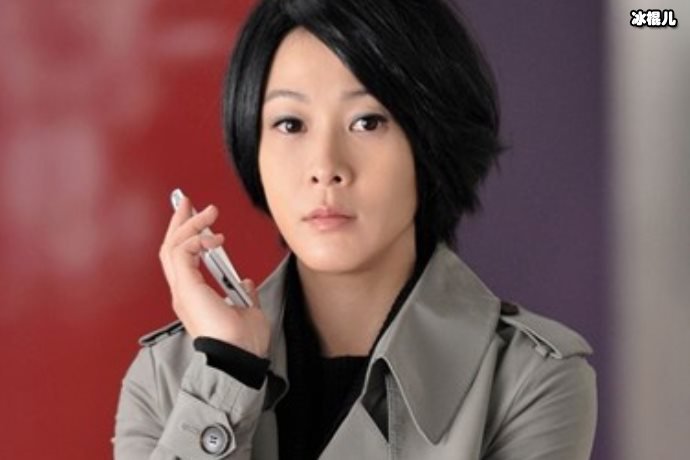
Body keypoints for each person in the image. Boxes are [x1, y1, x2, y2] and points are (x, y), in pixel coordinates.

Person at [114, 0, 597, 459]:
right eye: (290, 124)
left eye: (367, 122)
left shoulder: (529, 380)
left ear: (429, 141)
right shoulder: (167, 378)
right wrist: (227, 374)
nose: (325, 167)